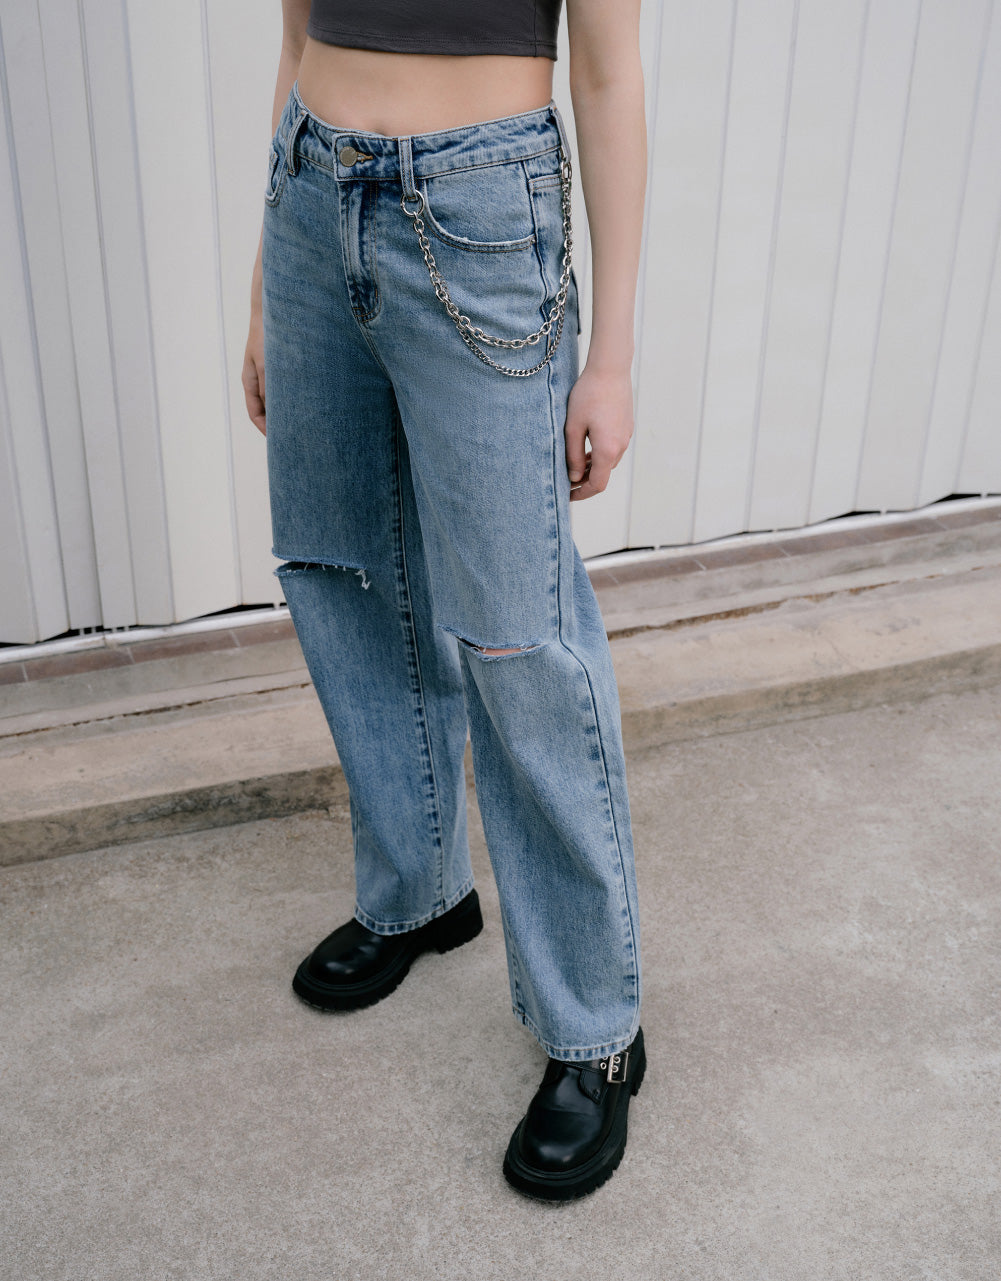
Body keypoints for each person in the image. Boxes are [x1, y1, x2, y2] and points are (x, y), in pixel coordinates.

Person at [242, 0, 647, 1201]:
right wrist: (269, 278)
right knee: (342, 566)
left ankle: (595, 1030)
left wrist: (611, 354)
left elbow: (610, 77)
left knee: (519, 636)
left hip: (476, 205)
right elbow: (293, 33)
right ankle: (418, 897)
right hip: (312, 190)